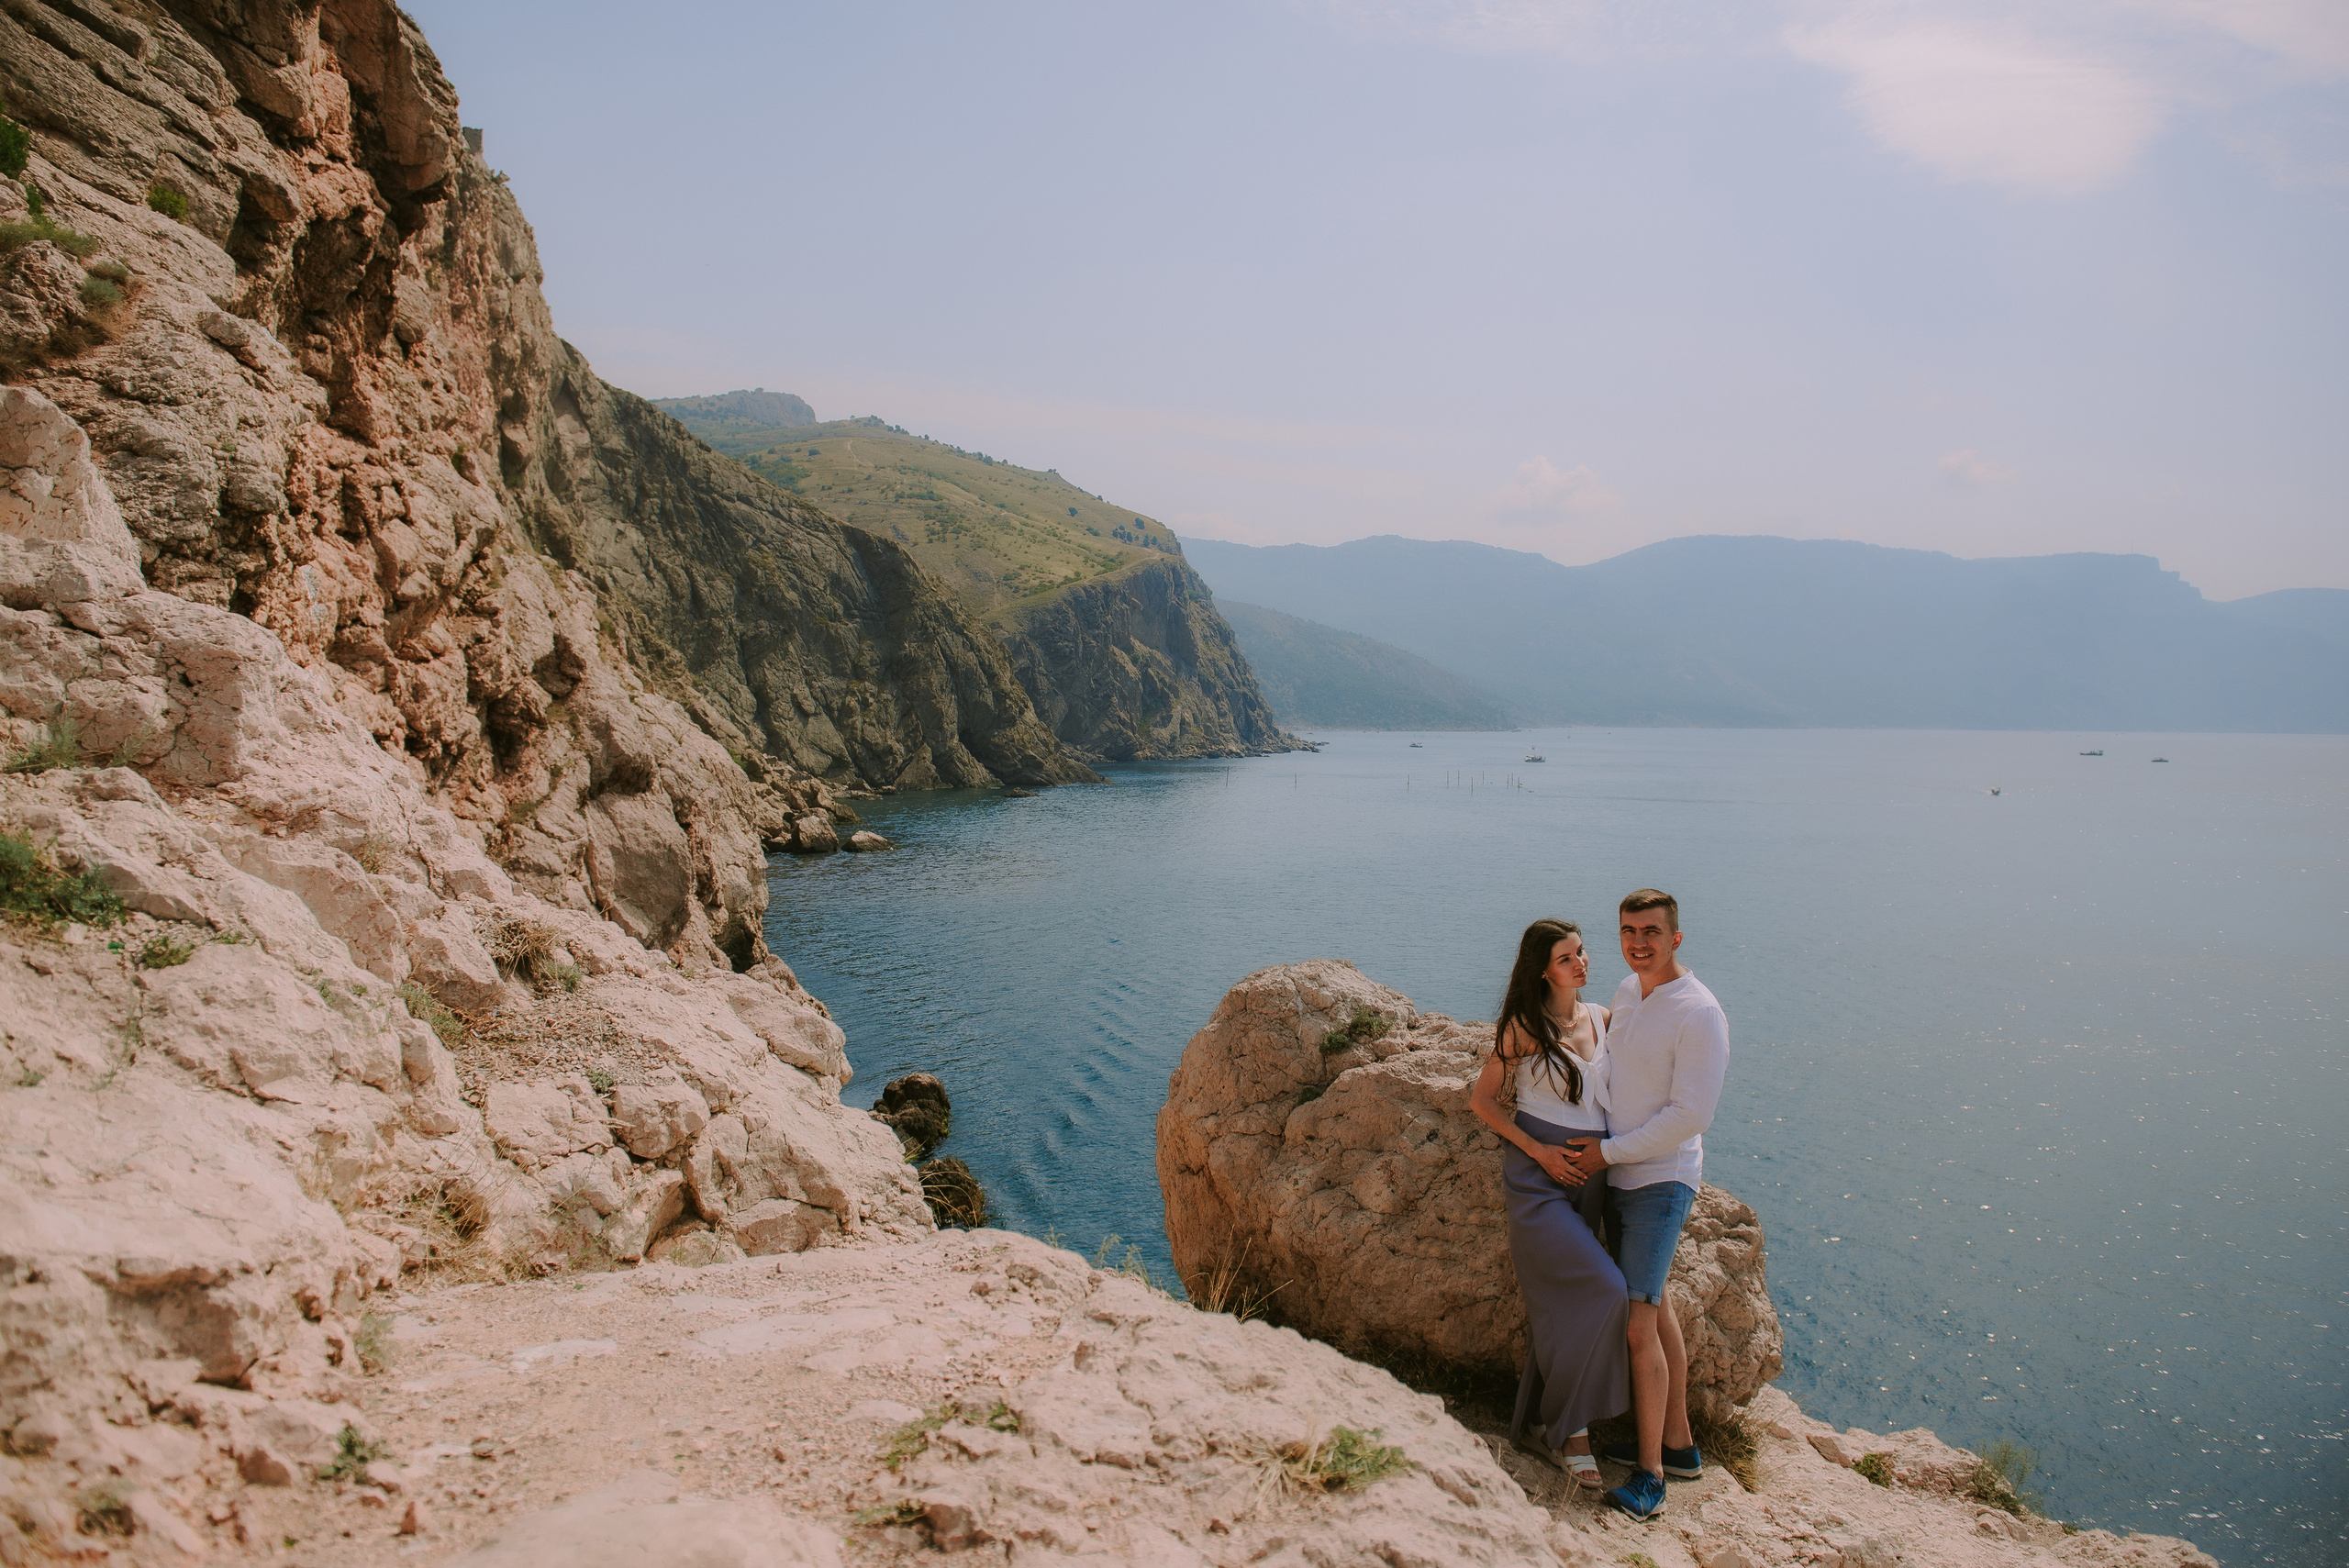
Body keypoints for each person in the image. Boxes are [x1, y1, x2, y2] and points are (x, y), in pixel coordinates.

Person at [1563, 888, 1730, 1523]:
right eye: (1629, 930)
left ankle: (1652, 1474)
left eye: (1652, 931)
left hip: (1660, 1180)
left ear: (1676, 937)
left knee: (1639, 1319)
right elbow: (1609, 1066)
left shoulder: (1699, 1011)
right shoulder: (1630, 993)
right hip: (1621, 1172)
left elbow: (1692, 1114)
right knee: (1653, 1310)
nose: (1639, 942)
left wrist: (1609, 1153)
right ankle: (1681, 1445)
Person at [1468, 917, 1631, 1492]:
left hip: (1590, 1180)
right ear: (1543, 969)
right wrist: (1539, 1152)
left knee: (1566, 1309)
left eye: (1582, 953)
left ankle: (1545, 1420)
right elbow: (1482, 1102)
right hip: (1539, 1182)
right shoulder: (1523, 1028)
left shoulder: (1604, 1019)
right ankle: (1573, 1433)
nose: (1581, 964)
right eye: (1567, 958)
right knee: (1607, 1290)